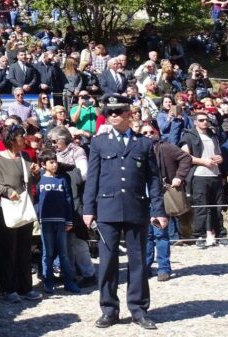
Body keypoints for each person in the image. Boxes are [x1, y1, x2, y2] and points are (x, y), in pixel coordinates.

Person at [82, 94, 167, 330]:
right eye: (109, 112)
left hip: (136, 208)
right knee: (108, 262)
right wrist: (88, 209)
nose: (113, 116)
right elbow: (93, 179)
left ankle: (139, 310)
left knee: (138, 261)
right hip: (106, 209)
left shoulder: (144, 143)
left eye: (118, 111)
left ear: (129, 113)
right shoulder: (99, 143)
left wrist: (159, 209)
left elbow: (154, 180)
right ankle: (109, 310)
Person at [0, 124, 42, 302]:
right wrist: (7, 191)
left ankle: (25, 287)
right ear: (11, 139)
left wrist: (36, 173)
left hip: (23, 208)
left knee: (24, 249)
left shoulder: (25, 156)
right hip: (6, 209)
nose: (24, 139)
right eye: (20, 136)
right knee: (7, 249)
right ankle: (7, 288)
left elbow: (31, 181)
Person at [142, 123, 190, 281]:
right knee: (146, 235)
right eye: (145, 132)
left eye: (151, 131)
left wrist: (179, 176)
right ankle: (146, 266)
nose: (149, 134)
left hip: (160, 196)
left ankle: (164, 268)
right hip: (142, 197)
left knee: (161, 233)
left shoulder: (166, 147)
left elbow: (185, 158)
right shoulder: (137, 148)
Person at [35, 148, 81, 294]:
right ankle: (48, 281)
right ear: (43, 164)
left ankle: (69, 281)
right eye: (51, 162)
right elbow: (35, 200)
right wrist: (37, 218)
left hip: (61, 221)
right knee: (47, 253)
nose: (55, 165)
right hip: (45, 221)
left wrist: (69, 220)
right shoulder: (39, 180)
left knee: (64, 253)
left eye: (55, 162)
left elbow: (68, 201)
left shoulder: (62, 179)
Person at [181, 111, 225, 247]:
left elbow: (219, 153)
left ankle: (219, 234)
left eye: (206, 120)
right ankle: (199, 236)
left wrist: (220, 158)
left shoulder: (213, 135)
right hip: (199, 175)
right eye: (201, 120)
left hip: (215, 174)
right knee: (201, 207)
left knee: (217, 207)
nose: (204, 122)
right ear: (195, 122)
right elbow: (185, 156)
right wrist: (203, 161)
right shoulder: (188, 136)